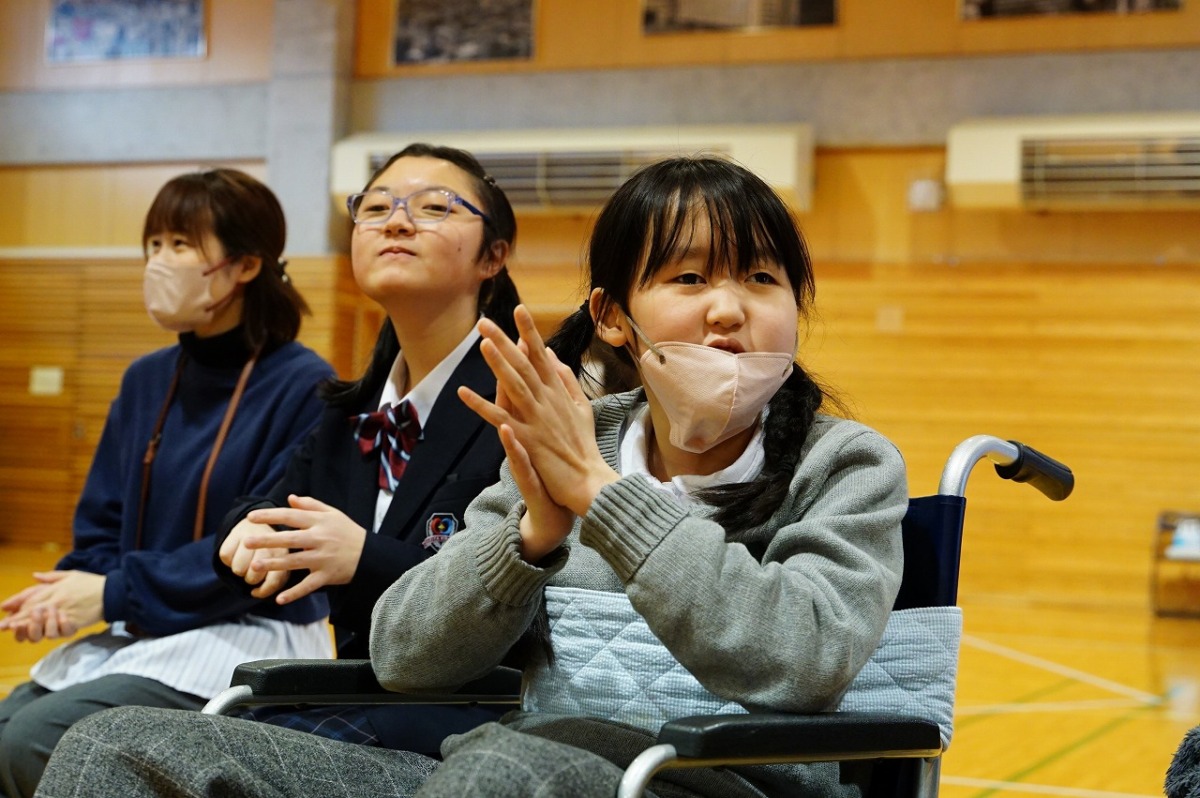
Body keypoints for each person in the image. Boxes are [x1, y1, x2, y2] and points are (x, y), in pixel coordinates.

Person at [33, 155, 908, 798]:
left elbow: (803, 659)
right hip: (505, 770)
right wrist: (529, 539)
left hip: (715, 781)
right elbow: (409, 655)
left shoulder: (845, 463)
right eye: (688, 277)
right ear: (611, 316)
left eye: (763, 278)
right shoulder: (563, 437)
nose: (728, 308)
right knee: (118, 748)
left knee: (503, 768)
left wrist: (604, 497)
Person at [0, 168, 334, 798]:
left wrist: (111, 594)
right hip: (142, 624)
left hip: (250, 632)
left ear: (244, 266)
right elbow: (100, 524)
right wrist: (68, 591)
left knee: (35, 740)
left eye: (180, 245)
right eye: (154, 245)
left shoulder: (303, 384)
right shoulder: (146, 378)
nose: (159, 262)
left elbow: (256, 557)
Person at [208, 142, 522, 752]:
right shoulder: (351, 414)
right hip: (356, 700)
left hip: (475, 719)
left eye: (436, 207)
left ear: (494, 256)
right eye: (376, 207)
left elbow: (523, 602)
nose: (397, 220)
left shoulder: (522, 402)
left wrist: (361, 556)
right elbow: (260, 512)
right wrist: (244, 535)